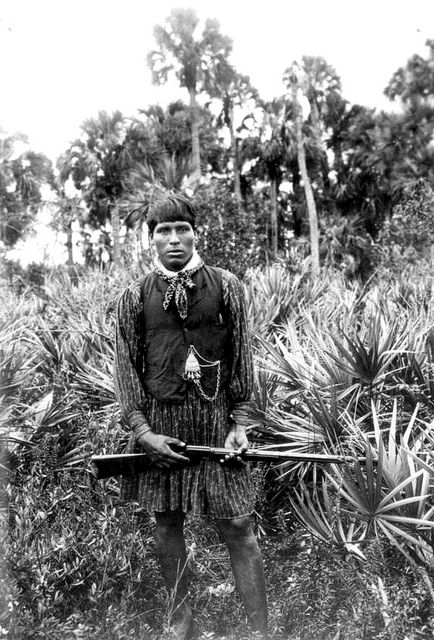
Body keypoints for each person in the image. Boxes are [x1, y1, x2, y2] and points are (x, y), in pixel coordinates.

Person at [113, 193, 267, 639]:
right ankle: (182, 621)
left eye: (182, 229)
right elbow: (125, 368)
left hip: (218, 422)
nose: (174, 240)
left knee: (238, 523)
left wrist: (240, 424)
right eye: (164, 231)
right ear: (151, 240)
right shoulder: (133, 297)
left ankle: (261, 627)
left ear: (196, 233)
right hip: (162, 428)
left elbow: (244, 357)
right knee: (167, 522)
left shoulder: (226, 285)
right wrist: (143, 435)